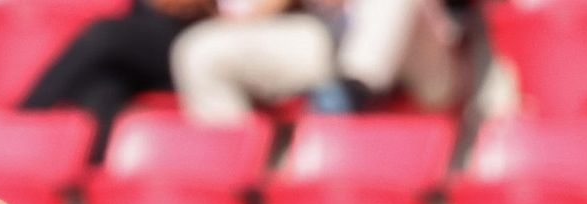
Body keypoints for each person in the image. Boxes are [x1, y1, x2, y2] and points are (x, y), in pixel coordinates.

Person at [172, 0, 461, 124]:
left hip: (428, 51)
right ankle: (238, 196)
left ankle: (350, 97)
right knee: (200, 51)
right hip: (333, 36)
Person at [21, 0, 214, 161]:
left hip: (191, 40)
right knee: (101, 88)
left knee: (103, 35)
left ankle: (27, 118)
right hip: (135, 45)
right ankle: (90, 189)